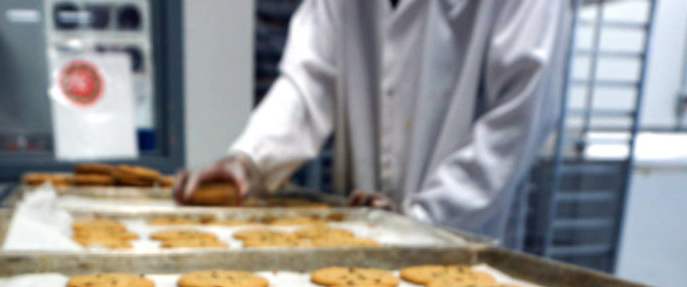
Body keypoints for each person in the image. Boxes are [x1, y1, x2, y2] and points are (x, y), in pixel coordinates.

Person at [175, 0, 570, 239]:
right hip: (359, 229)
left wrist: (423, 218)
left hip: (462, 234)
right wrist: (249, 160)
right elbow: (310, 76)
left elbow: (520, 115)